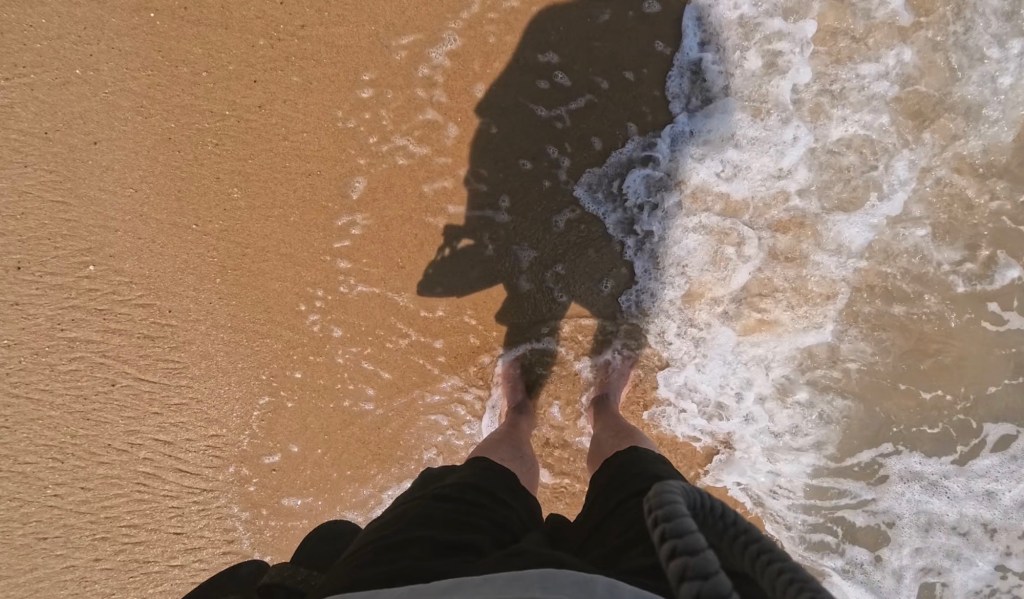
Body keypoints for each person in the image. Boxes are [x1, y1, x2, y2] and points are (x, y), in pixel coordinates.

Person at [186, 353, 775, 599]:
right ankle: (600, 408)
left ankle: (529, 414)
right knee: (641, 482)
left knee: (484, 484)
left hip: (406, 589)